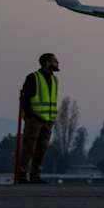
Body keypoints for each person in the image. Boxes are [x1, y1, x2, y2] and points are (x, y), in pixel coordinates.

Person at [16, 53, 61, 184]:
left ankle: (36, 175)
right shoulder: (33, 77)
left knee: (42, 148)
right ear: (47, 62)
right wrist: (29, 115)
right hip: (35, 118)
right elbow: (25, 98)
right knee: (29, 146)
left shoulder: (54, 80)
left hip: (48, 119)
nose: (58, 63)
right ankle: (22, 174)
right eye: (55, 61)